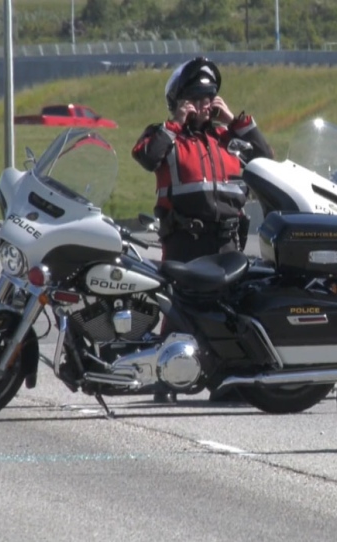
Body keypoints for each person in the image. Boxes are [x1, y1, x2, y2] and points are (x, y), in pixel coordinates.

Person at [132, 57, 274, 403]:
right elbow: (146, 156)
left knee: (229, 312)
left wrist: (237, 122)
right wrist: (175, 124)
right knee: (179, 307)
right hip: (186, 238)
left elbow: (267, 159)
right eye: (195, 97)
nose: (204, 104)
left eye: (209, 96)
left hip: (227, 239)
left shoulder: (228, 138)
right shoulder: (166, 137)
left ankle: (230, 381)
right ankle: (167, 378)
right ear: (179, 101)